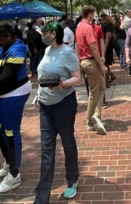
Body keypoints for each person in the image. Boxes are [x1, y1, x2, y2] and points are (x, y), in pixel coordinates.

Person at [33, 22, 82, 203]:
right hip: (45, 106)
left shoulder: (67, 53)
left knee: (68, 143)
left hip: (64, 105)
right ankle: (42, 197)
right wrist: (38, 96)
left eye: (44, 33)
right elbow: (42, 76)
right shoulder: (47, 51)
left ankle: (72, 179)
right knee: (47, 151)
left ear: (53, 34)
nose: (42, 36)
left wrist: (63, 84)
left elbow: (77, 77)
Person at [0, 24, 32, 194]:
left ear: (9, 36)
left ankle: (14, 175)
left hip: (15, 91)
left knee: (11, 133)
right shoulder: (4, 48)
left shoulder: (17, 51)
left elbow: (5, 77)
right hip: (3, 94)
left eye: (0, 39)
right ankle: (9, 161)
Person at [75, 5, 107, 135]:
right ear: (89, 14)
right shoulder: (88, 28)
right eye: (93, 14)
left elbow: (77, 45)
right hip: (91, 62)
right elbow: (94, 48)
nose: (94, 16)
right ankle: (90, 121)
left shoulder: (79, 27)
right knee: (94, 93)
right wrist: (102, 64)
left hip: (85, 61)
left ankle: (96, 116)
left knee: (102, 88)